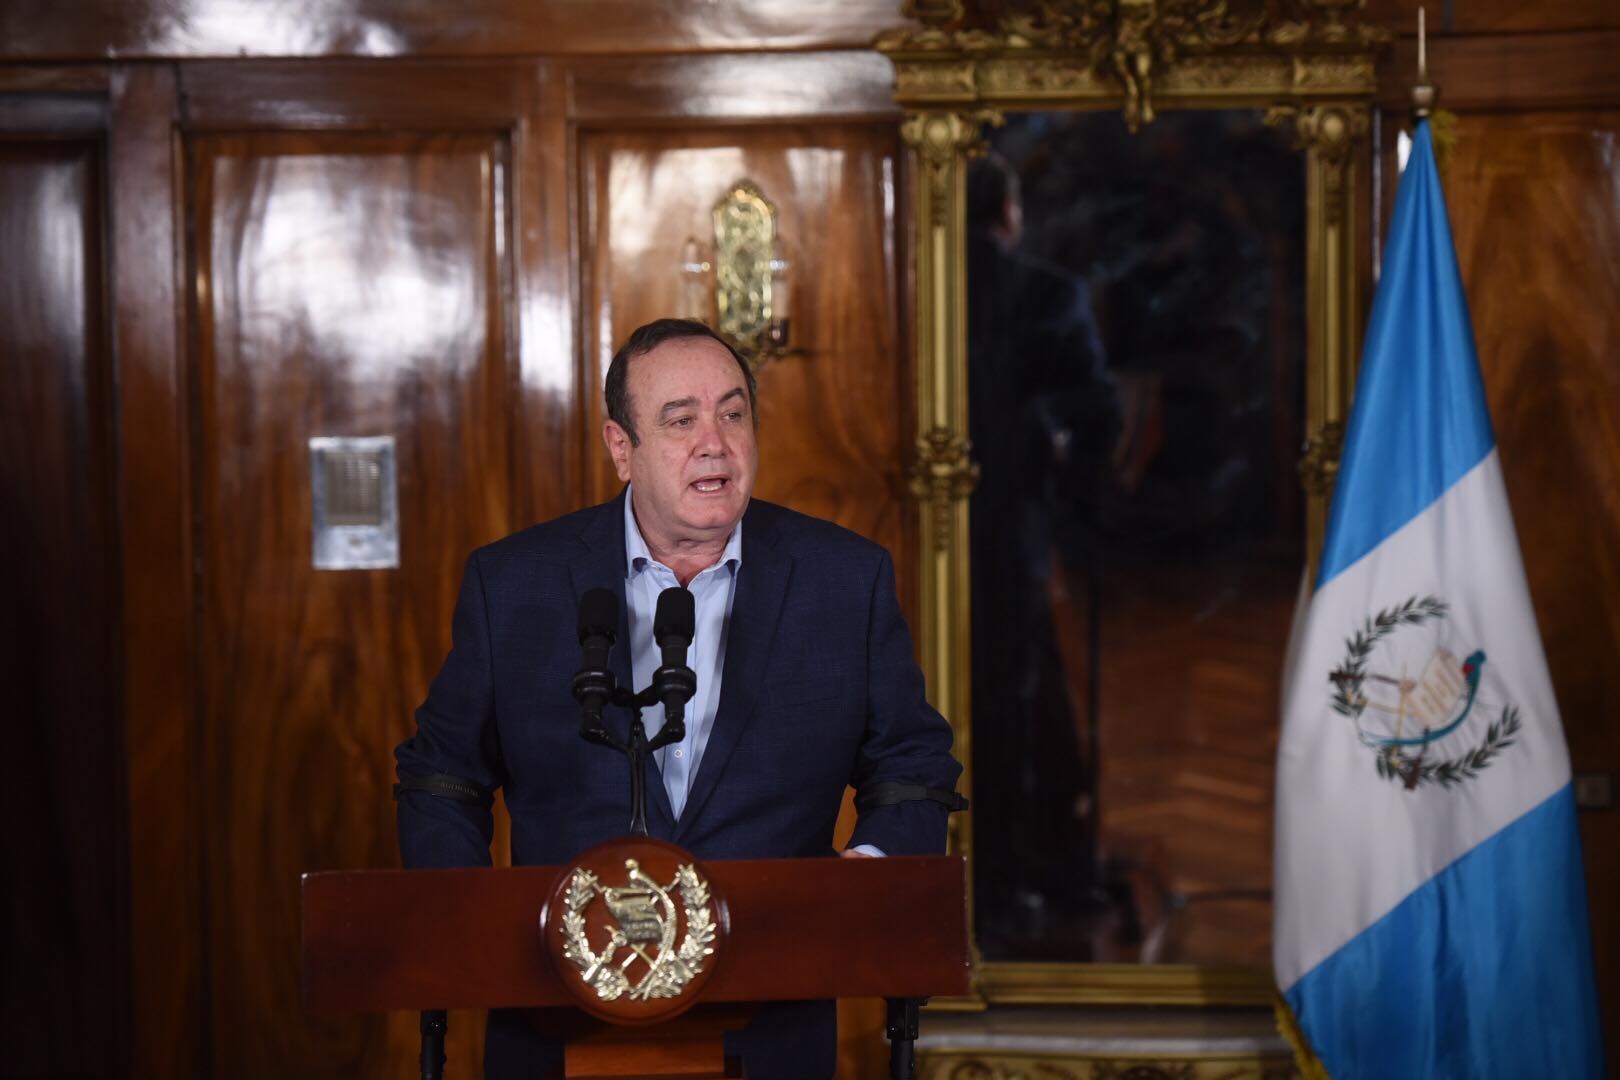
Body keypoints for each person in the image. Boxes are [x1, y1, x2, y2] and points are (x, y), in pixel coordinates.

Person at [394, 317, 962, 1079]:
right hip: (560, 1022)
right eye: (680, 420)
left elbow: (914, 767)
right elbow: (441, 777)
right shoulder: (515, 585)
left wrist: (863, 873)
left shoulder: (842, 580)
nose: (715, 443)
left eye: (733, 413)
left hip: (771, 1026)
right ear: (620, 448)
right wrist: (472, 929)